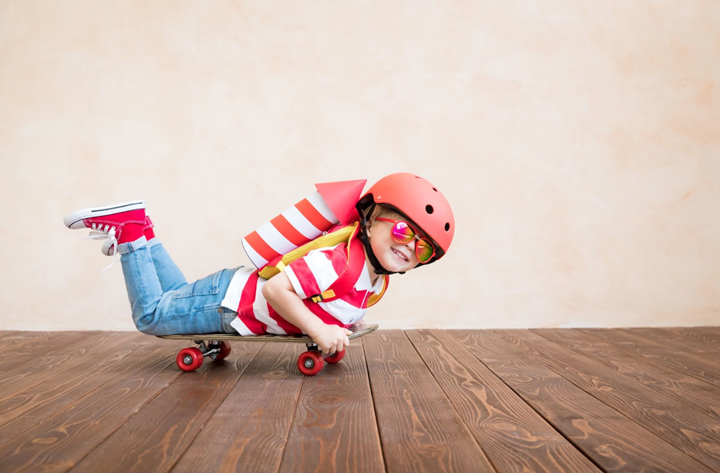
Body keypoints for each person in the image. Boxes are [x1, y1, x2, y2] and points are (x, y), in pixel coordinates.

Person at [63, 173, 455, 356]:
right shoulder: (338, 262)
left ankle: (141, 229)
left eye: (422, 249)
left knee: (168, 297)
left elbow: (331, 302)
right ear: (369, 218)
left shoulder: (369, 278)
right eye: (404, 231)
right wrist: (319, 330)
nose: (410, 248)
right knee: (151, 315)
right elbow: (275, 289)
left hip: (228, 296)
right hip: (230, 305)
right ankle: (131, 234)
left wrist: (346, 323)